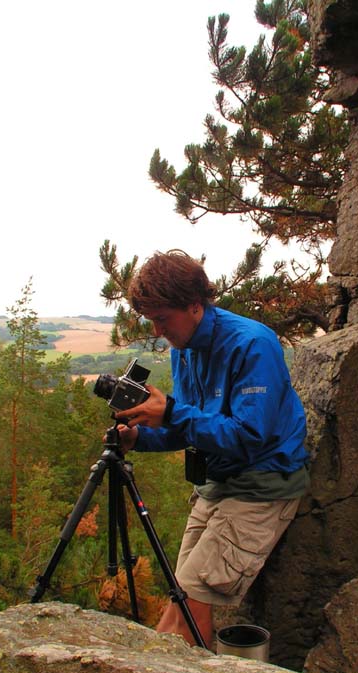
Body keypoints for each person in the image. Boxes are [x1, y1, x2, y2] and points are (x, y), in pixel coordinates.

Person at [114, 250, 309, 648]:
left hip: (260, 486)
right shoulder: (183, 350)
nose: (156, 330)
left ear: (194, 305)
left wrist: (169, 410)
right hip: (215, 487)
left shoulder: (252, 345)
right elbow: (189, 428)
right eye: (150, 320)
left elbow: (247, 435)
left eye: (162, 319)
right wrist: (138, 438)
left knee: (190, 601)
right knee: (180, 595)